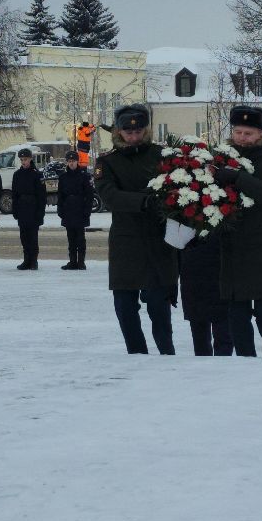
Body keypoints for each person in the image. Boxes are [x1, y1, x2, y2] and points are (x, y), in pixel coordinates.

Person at [95, 104, 179, 354]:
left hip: (157, 240)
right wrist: (143, 200)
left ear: (146, 130)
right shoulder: (107, 161)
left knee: (158, 306)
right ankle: (137, 353)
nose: (133, 137)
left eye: (138, 132)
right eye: (127, 132)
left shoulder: (161, 157)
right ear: (118, 132)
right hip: (126, 242)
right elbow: (109, 195)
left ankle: (166, 353)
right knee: (124, 305)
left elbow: (174, 188)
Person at [212, 105, 262, 357]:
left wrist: (236, 178)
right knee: (237, 311)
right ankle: (245, 360)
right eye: (238, 132)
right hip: (234, 248)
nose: (242, 138)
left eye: (248, 134)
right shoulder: (220, 159)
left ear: (260, 135)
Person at [177, 228, 233, 356]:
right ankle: (215, 365)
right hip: (199, 267)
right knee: (208, 331)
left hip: (212, 265)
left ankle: (217, 364)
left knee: (215, 332)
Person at [6, 149, 46, 270]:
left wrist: (40, 213)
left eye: (26, 159)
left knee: (33, 237)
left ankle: (33, 261)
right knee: (24, 237)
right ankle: (26, 260)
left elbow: (42, 196)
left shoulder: (37, 174)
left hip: (33, 209)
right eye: (22, 160)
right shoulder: (17, 174)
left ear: (30, 159)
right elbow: (15, 194)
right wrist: (15, 210)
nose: (24, 162)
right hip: (22, 209)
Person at [55, 155, 93, 270]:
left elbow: (89, 195)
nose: (71, 163)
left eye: (73, 161)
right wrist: (60, 209)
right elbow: (60, 195)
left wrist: (87, 210)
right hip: (68, 210)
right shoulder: (63, 177)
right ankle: (72, 261)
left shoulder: (84, 176)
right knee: (71, 238)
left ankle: (81, 262)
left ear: (77, 162)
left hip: (80, 210)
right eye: (69, 161)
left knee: (80, 238)